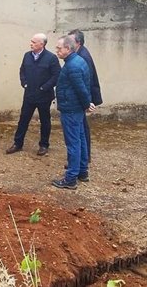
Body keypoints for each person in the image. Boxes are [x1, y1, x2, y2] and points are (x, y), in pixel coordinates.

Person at [6, 33, 60, 156]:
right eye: (31, 41)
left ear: (42, 44)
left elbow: (56, 76)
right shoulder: (27, 56)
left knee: (45, 121)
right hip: (29, 94)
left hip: (44, 96)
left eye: (34, 42)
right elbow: (22, 70)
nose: (31, 44)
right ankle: (17, 143)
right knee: (23, 119)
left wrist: (44, 87)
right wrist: (24, 83)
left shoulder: (51, 58)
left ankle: (44, 145)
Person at [52, 35, 95, 189]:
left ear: (68, 49)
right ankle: (82, 172)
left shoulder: (72, 66)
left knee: (73, 143)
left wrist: (86, 104)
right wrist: (85, 104)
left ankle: (70, 179)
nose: (56, 50)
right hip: (75, 108)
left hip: (71, 109)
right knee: (81, 139)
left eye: (59, 48)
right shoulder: (77, 61)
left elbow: (81, 88)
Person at [68, 29, 102, 163]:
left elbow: (86, 81)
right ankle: (84, 156)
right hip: (83, 98)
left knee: (81, 128)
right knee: (81, 127)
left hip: (82, 98)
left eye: (70, 41)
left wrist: (87, 102)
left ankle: (83, 157)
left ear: (78, 42)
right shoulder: (79, 53)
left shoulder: (82, 57)